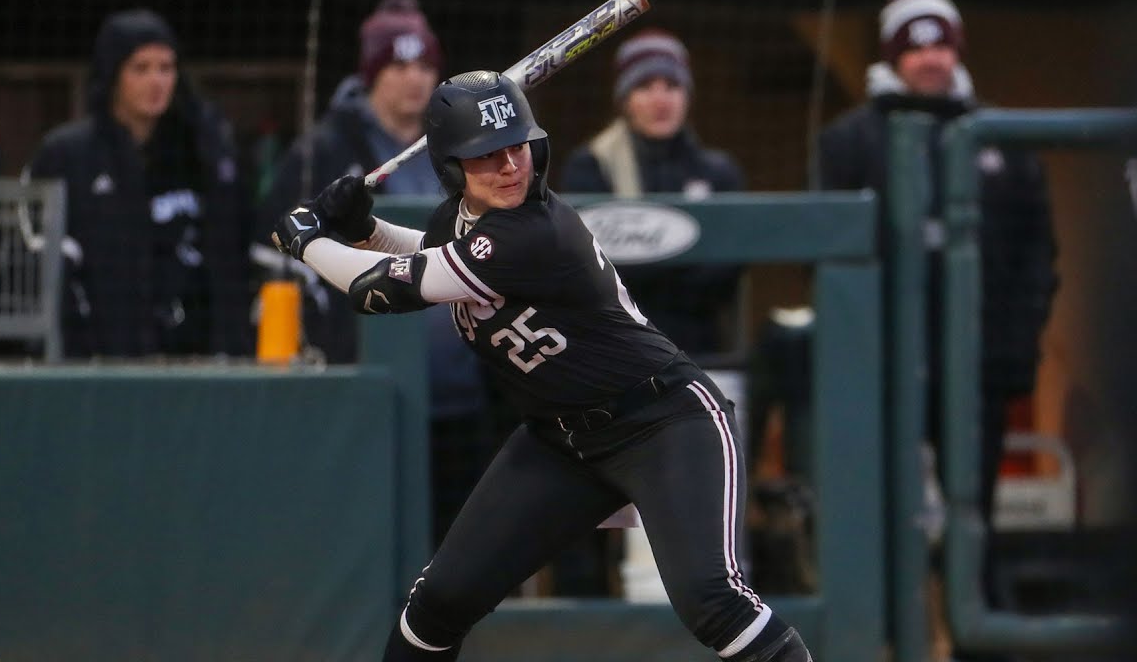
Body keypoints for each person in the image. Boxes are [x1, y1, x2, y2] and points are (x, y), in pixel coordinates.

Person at [272, 70, 813, 662]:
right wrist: (364, 229)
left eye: (517, 147)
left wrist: (305, 241)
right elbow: (425, 256)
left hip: (662, 421)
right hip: (562, 439)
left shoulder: (535, 232)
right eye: (485, 155)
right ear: (452, 168)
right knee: (439, 601)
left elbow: (379, 291)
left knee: (714, 602)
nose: (509, 166)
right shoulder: (461, 223)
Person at [816, 0, 1057, 645]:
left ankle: (978, 641)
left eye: (942, 46)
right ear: (894, 56)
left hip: (977, 369)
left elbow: (1038, 254)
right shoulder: (849, 142)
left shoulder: (999, 138)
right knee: (884, 515)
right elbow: (832, 263)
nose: (931, 59)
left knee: (973, 515)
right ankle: (886, 642)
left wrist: (1014, 354)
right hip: (885, 372)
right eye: (916, 48)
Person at [257, 0, 501, 546]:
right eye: (397, 65)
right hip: (369, 385)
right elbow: (277, 253)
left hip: (462, 386)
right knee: (373, 545)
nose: (413, 79)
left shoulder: (461, 150)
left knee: (465, 543)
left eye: (423, 65)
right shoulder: (326, 149)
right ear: (370, 73)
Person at [26, 8, 253, 358]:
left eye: (166, 68)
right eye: (141, 68)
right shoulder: (69, 155)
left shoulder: (200, 152)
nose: (156, 81)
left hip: (194, 363)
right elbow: (40, 267)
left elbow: (231, 254)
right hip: (99, 366)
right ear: (113, 74)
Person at [559, 28, 746, 360]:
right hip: (615, 348)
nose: (661, 100)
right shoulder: (591, 167)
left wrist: (652, 274)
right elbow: (589, 272)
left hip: (700, 348)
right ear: (624, 99)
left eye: (672, 86)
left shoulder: (719, 172)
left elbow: (728, 269)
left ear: (687, 94)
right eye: (645, 87)